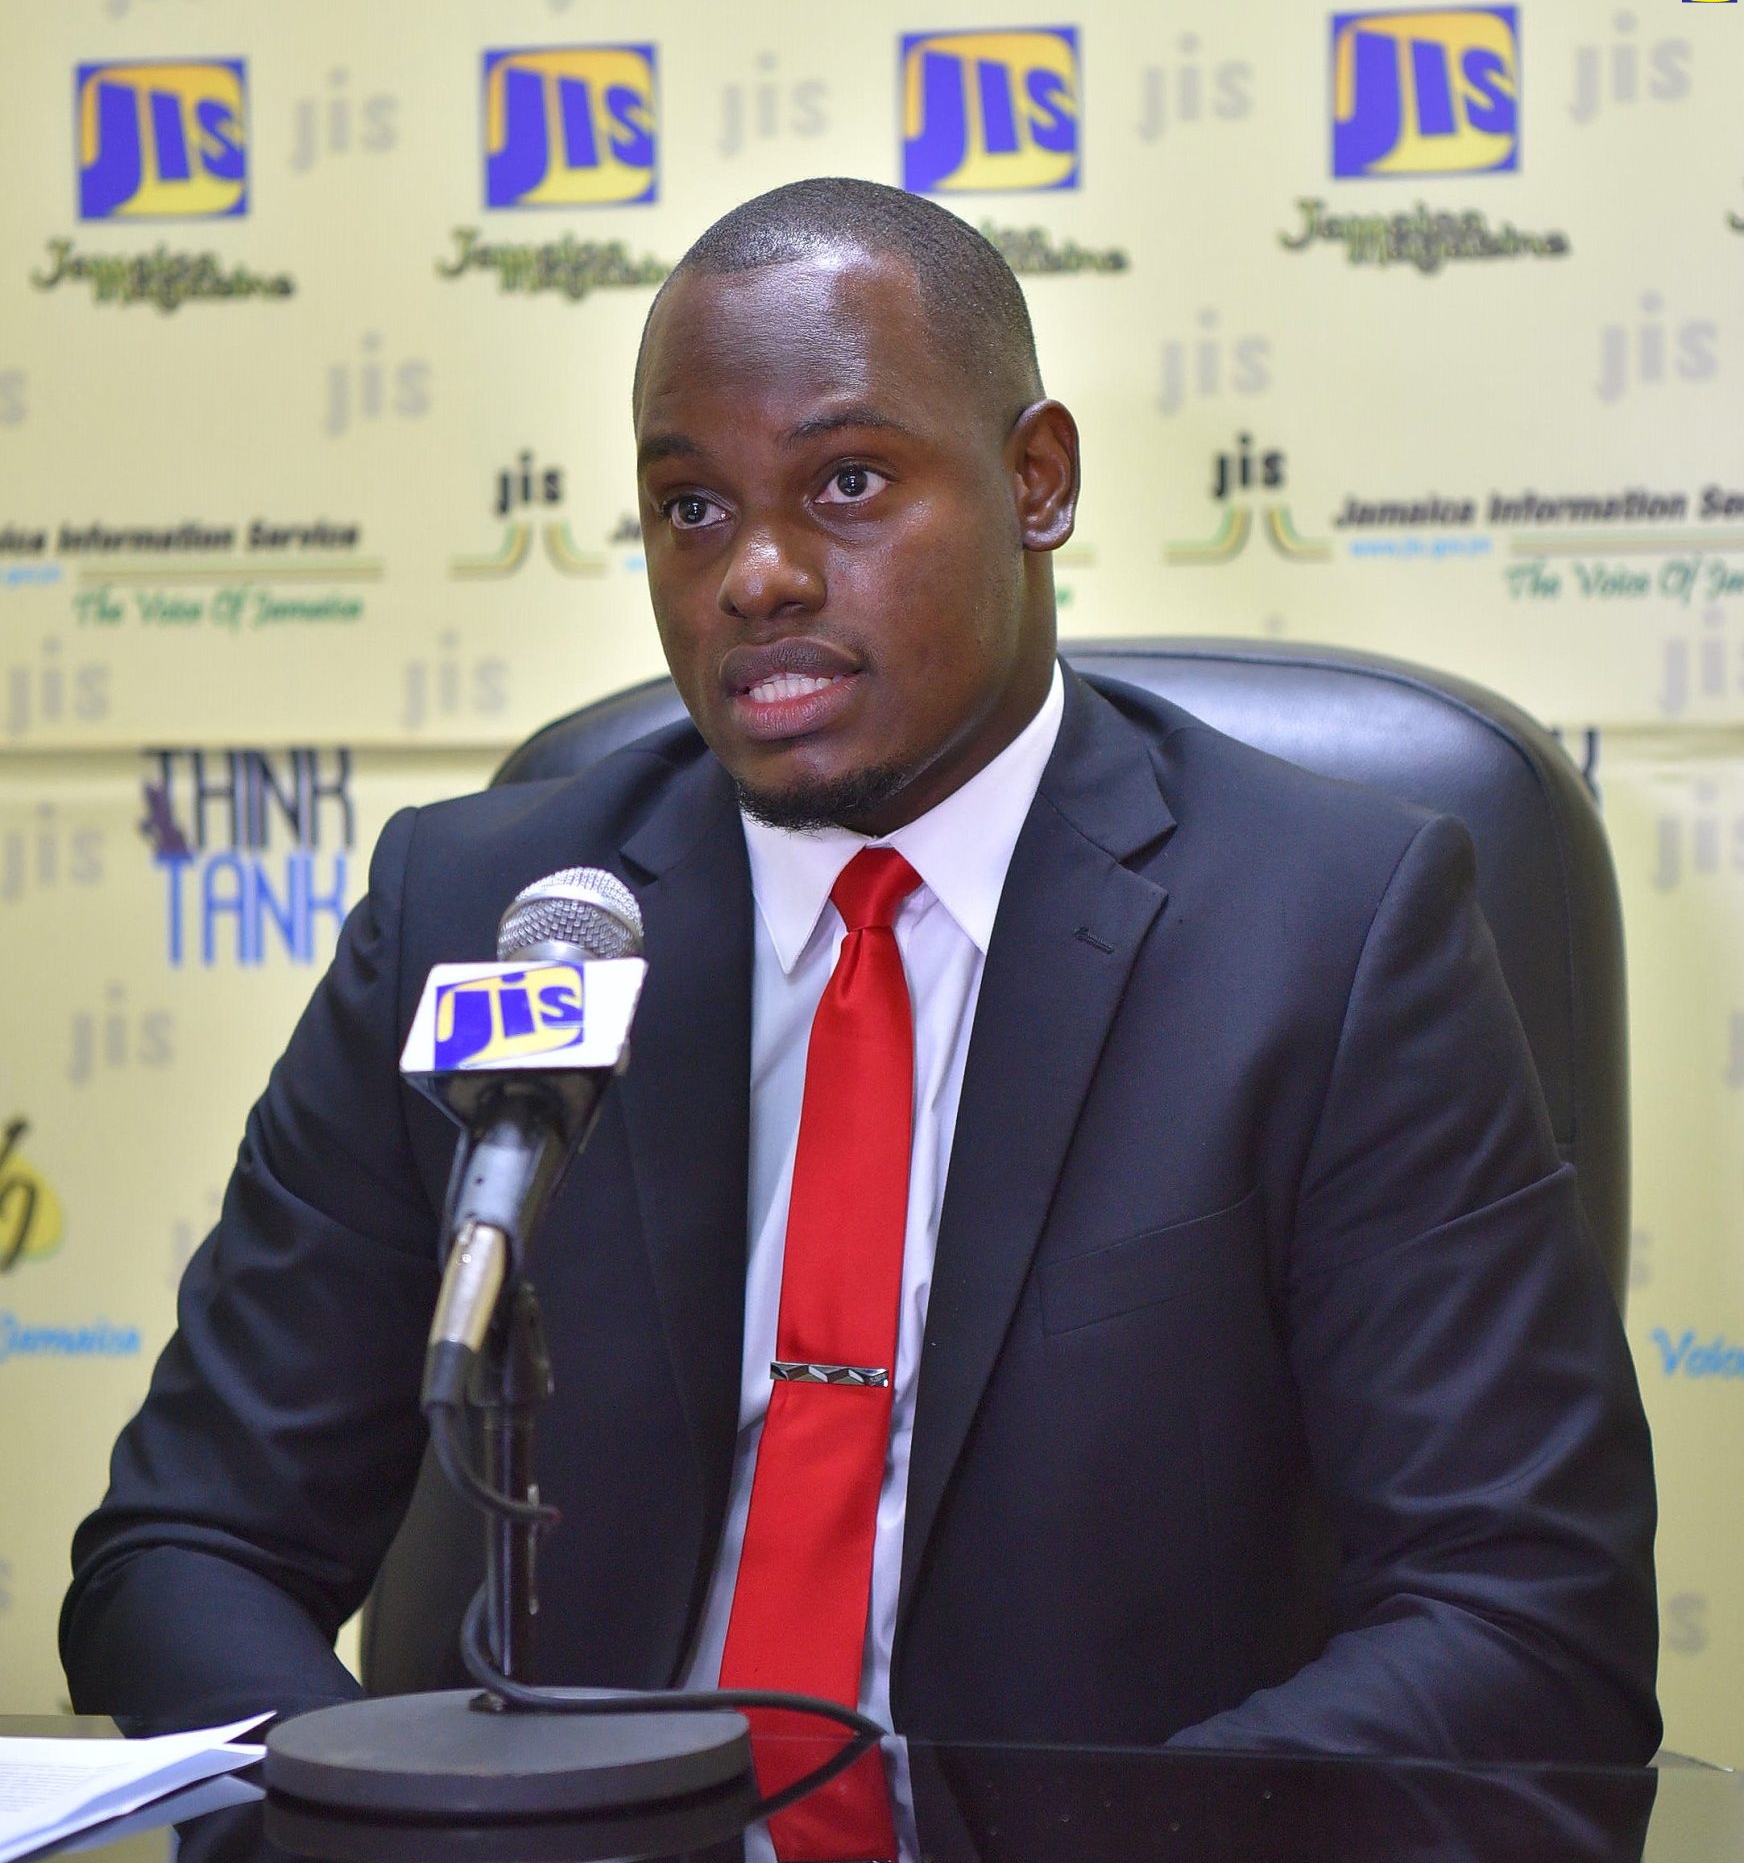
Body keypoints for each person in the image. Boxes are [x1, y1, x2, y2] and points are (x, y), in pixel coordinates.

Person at [62, 180, 1658, 1774]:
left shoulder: (1325, 931)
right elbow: (186, 1552)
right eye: (691, 507)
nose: (754, 575)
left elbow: (1522, 1615)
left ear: (1037, 481)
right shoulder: (484, 915)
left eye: (844, 483)